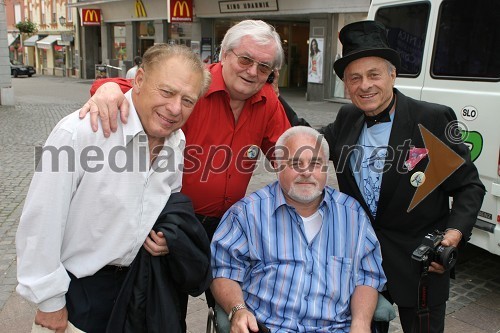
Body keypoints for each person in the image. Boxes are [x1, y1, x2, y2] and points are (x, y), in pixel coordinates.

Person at [79, 19, 291, 309]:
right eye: (245, 59)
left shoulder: (268, 101)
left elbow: (287, 157)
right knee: (164, 309)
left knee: (235, 305)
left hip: (228, 226)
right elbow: (136, 88)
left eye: (264, 67)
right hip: (172, 224)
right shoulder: (195, 84)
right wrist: (108, 89)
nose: (253, 71)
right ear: (224, 54)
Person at [15, 44, 212, 333]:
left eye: (187, 100)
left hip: (134, 289)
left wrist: (166, 236)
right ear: (140, 80)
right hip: (77, 293)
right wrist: (50, 303)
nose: (175, 108)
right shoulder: (80, 132)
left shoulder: (176, 141)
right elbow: (39, 225)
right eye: (167, 92)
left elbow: (164, 202)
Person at [321, 20, 485, 332]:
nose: (365, 85)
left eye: (374, 74)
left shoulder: (432, 118)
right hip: (363, 267)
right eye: (354, 78)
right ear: (346, 85)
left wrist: (454, 235)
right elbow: (309, 143)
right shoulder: (347, 117)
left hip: (420, 266)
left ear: (393, 75)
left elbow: (468, 187)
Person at [210, 126, 386, 333]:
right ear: (277, 166)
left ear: (326, 168)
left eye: (315, 163)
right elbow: (223, 272)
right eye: (295, 163)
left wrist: (361, 323)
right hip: (269, 327)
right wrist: (238, 310)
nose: (306, 171)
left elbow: (367, 277)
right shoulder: (245, 214)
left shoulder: (353, 215)